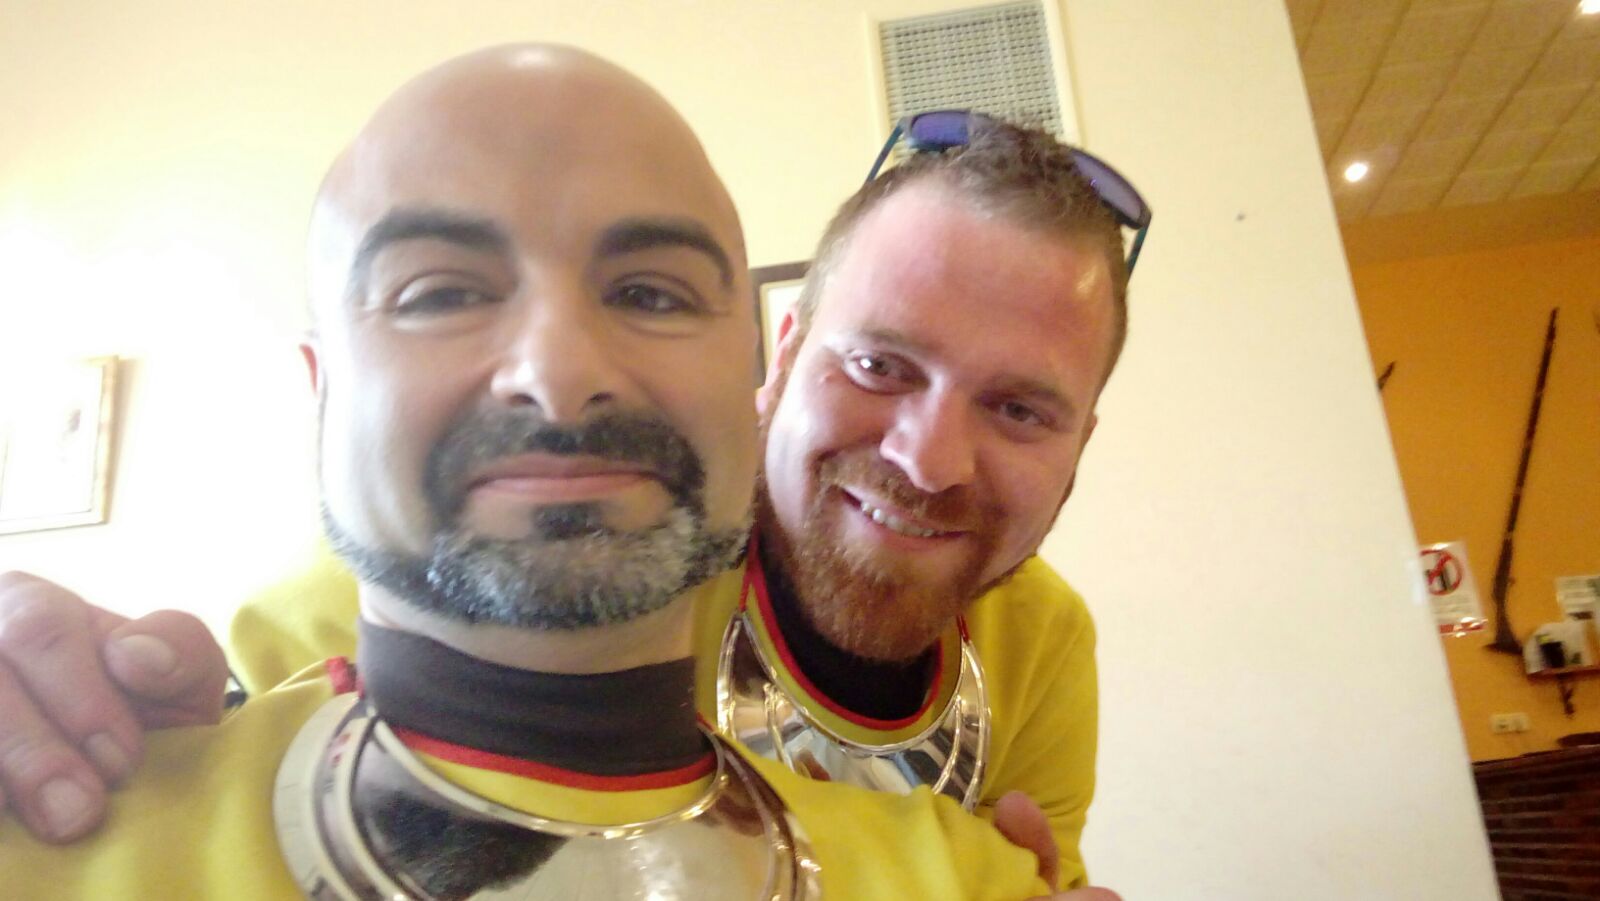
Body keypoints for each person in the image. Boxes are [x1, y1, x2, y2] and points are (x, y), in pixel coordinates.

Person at [0, 57, 1142, 898]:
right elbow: (224, 735)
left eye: (1019, 408)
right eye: (879, 365)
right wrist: (59, 694)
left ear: (1082, 440)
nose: (928, 459)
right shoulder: (555, 521)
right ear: (776, 362)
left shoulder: (1043, 647)